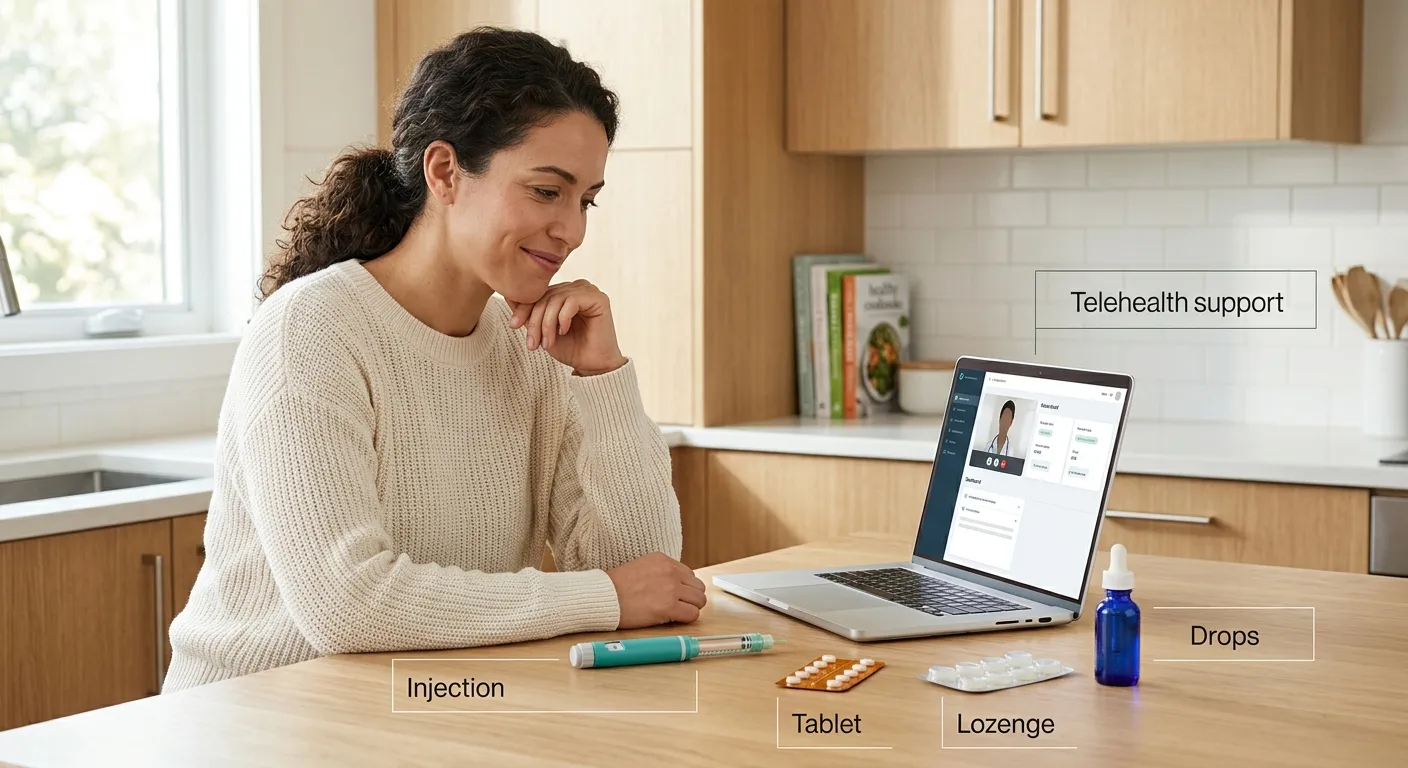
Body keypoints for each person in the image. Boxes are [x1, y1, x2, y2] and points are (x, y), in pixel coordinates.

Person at [163, 28, 704, 693]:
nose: (573, 230)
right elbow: (347, 604)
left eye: (585, 199)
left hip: (420, 708)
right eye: (545, 191)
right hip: (252, 723)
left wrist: (603, 377)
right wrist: (604, 599)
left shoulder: (529, 348)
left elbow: (645, 572)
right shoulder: (312, 329)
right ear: (445, 171)